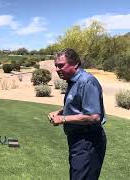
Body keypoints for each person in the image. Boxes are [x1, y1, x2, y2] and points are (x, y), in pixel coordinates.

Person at [48, 48, 106, 180]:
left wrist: (63, 118)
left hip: (88, 141)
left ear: (75, 64)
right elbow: (78, 107)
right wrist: (60, 112)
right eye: (56, 66)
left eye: (61, 65)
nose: (57, 69)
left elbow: (93, 116)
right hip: (78, 141)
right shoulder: (73, 81)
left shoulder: (86, 81)